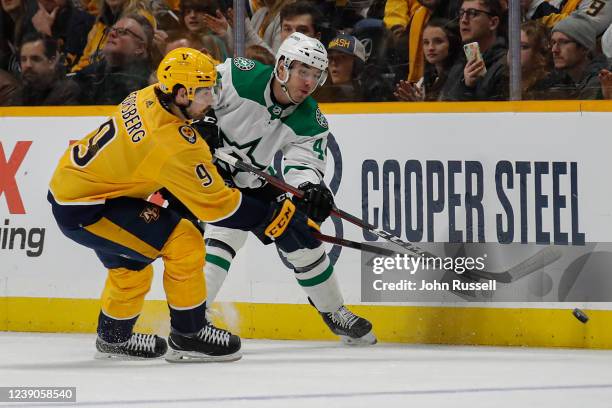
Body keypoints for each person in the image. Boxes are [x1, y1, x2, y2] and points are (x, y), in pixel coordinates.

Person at [48, 47, 319, 361]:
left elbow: (165, 150)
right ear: (179, 94)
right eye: (203, 92)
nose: (212, 98)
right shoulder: (172, 146)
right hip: (88, 207)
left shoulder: (148, 95)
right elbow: (218, 206)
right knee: (185, 241)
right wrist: (273, 217)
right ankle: (188, 335)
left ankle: (113, 339)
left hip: (82, 186)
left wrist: (195, 131)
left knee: (131, 267)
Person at [203, 32, 377, 345]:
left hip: (247, 178)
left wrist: (310, 188)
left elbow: (303, 164)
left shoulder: (311, 120)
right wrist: (202, 119)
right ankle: (193, 317)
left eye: (316, 75)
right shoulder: (239, 76)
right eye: (303, 72)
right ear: (282, 67)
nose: (309, 82)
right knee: (225, 233)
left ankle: (333, 310)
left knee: (300, 231)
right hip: (196, 168)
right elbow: (197, 90)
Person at [72, 14, 154, 104]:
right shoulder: (90, 73)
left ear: (140, 47)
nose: (112, 33)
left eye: (122, 32)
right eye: (112, 30)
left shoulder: (148, 87)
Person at [443, 0, 508, 101]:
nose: (463, 20)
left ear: (493, 23)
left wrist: (467, 88)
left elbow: (495, 114)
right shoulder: (459, 63)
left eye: (473, 13)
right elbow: (444, 106)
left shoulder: (505, 65)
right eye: (461, 13)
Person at [395, 18, 461, 101]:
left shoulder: (461, 77)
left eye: (438, 41)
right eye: (426, 42)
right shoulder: (424, 80)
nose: (430, 48)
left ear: (453, 44)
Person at [10, 32, 80, 105]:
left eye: (35, 59)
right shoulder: (19, 93)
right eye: (24, 59)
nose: (28, 65)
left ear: (52, 61)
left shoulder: (67, 92)